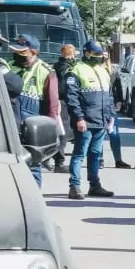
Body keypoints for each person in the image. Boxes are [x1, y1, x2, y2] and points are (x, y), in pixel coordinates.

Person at [64, 40, 116, 200]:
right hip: (85, 122)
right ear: (87, 53)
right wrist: (79, 118)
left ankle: (94, 185)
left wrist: (111, 117)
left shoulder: (103, 72)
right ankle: (74, 186)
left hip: (100, 121)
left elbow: (109, 97)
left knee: (95, 155)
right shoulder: (75, 71)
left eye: (101, 55)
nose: (100, 57)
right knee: (79, 154)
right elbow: (72, 98)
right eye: (96, 54)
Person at [9, 34, 61, 188]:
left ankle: (34, 196)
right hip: (10, 124)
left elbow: (52, 106)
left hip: (32, 127)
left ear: (33, 52)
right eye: (16, 52)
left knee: (33, 165)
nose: (17, 55)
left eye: (22, 53)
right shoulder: (10, 66)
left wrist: (50, 132)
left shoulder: (46, 72)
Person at [47, 44, 78, 173]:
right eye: (74, 54)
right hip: (64, 102)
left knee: (59, 131)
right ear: (71, 54)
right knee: (63, 133)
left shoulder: (56, 66)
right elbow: (64, 87)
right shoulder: (66, 68)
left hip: (57, 101)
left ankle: (48, 158)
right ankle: (59, 162)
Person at [102, 52, 131, 169]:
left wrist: (119, 101)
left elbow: (118, 86)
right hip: (100, 105)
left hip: (109, 105)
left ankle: (118, 160)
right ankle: (100, 159)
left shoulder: (112, 70)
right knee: (101, 135)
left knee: (113, 134)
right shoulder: (94, 69)